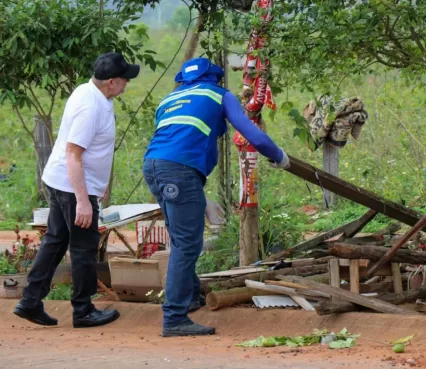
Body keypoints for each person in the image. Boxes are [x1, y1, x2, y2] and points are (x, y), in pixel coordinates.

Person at [143, 57, 289, 337]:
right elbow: (253, 136)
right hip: (180, 170)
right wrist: (279, 156)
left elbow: (173, 139)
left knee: (180, 239)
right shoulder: (219, 94)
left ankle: (189, 298)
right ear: (215, 77)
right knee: (187, 245)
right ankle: (174, 318)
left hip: (153, 166)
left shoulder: (169, 99)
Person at [13, 52, 140, 328]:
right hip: (71, 186)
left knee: (56, 240)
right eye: (124, 79)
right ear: (110, 82)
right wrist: (83, 200)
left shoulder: (92, 93)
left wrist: (100, 184)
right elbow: (73, 154)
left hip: (62, 181)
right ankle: (83, 310)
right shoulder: (90, 107)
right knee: (83, 246)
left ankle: (30, 301)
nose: (127, 83)